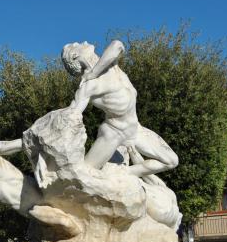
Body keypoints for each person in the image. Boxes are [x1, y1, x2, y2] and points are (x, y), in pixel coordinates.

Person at [61, 40, 179, 178]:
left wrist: (93, 72)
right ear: (75, 55)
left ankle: (122, 174)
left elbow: (118, 45)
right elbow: (72, 113)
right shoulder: (89, 86)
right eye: (78, 44)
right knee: (84, 175)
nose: (84, 42)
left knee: (171, 161)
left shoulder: (110, 65)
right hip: (114, 133)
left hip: (135, 130)